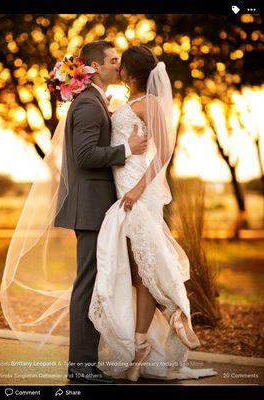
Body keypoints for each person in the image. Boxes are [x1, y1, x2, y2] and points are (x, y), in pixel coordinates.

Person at [88, 45, 217, 381]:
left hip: (137, 194)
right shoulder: (124, 104)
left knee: (144, 267)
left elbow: (164, 152)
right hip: (124, 189)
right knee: (138, 271)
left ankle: (161, 326)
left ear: (130, 73)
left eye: (120, 65)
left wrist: (137, 189)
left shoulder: (152, 104)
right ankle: (161, 327)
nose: (116, 69)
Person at [53, 41, 148, 383]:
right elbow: (85, 156)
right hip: (90, 208)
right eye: (112, 61)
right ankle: (81, 370)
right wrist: (127, 148)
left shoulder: (94, 101)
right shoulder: (90, 105)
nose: (118, 66)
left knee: (94, 285)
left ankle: (86, 365)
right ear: (94, 66)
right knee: (87, 286)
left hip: (96, 208)